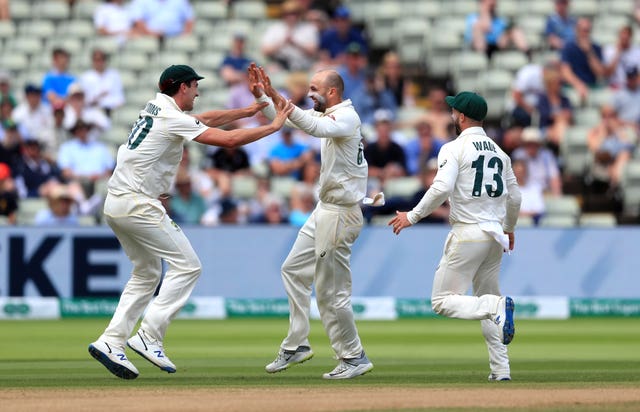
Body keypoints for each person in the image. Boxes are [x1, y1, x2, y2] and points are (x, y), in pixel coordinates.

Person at [87, 64, 293, 380]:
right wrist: (273, 126)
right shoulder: (171, 116)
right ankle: (148, 336)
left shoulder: (157, 107)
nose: (197, 91)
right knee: (188, 265)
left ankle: (110, 341)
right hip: (138, 203)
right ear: (183, 87)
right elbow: (229, 141)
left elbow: (206, 119)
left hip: (117, 202)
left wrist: (250, 110)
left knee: (147, 273)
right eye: (195, 86)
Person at [249, 63, 374, 379]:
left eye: (314, 89)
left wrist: (277, 94)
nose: (309, 94)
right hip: (325, 209)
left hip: (341, 213)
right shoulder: (328, 115)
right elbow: (285, 121)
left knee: (331, 293)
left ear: (332, 91)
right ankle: (297, 344)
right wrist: (266, 97)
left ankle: (354, 356)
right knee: (292, 269)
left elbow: (310, 126)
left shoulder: (345, 117)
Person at [388, 91, 521, 382]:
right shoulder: (501, 153)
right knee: (488, 297)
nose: (451, 115)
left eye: (453, 111)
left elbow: (440, 189)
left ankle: (495, 307)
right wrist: (509, 228)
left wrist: (412, 216)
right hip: (495, 236)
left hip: (468, 233)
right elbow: (515, 198)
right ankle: (501, 369)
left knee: (442, 300)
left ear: (461, 116)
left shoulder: (453, 147)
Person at [261, 0, 319, 72]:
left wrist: (295, 43)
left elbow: (313, 51)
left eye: (294, 13)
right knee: (270, 69)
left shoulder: (309, 28)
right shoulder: (274, 28)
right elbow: (265, 51)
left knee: (320, 68)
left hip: (304, 64)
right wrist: (282, 42)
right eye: (288, 13)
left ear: (299, 14)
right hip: (281, 64)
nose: (291, 16)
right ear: (283, 14)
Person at [560, 17, 605, 104]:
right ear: (576, 30)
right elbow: (565, 72)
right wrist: (579, 85)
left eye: (587, 30)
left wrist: (589, 52)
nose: (585, 33)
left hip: (592, 87)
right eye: (583, 30)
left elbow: (600, 72)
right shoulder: (568, 47)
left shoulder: (596, 48)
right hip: (572, 87)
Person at [464, 0, 530, 59]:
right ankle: (485, 55)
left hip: (497, 44)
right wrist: (485, 13)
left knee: (515, 30)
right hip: (480, 45)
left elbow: (503, 31)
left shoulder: (499, 19)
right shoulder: (473, 17)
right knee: (477, 28)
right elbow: (486, 28)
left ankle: (527, 52)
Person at [79, 48, 126, 117]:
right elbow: (84, 100)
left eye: (101, 59)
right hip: (92, 112)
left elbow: (120, 99)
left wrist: (103, 101)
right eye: (96, 60)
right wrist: (98, 97)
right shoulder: (86, 77)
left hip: (111, 112)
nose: (99, 63)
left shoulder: (114, 75)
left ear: (105, 60)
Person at [129, 0, 194, 39]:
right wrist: (150, 34)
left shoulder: (181, 1)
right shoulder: (141, 1)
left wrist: (184, 37)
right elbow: (137, 20)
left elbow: (189, 20)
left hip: (176, 37)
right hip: (149, 38)